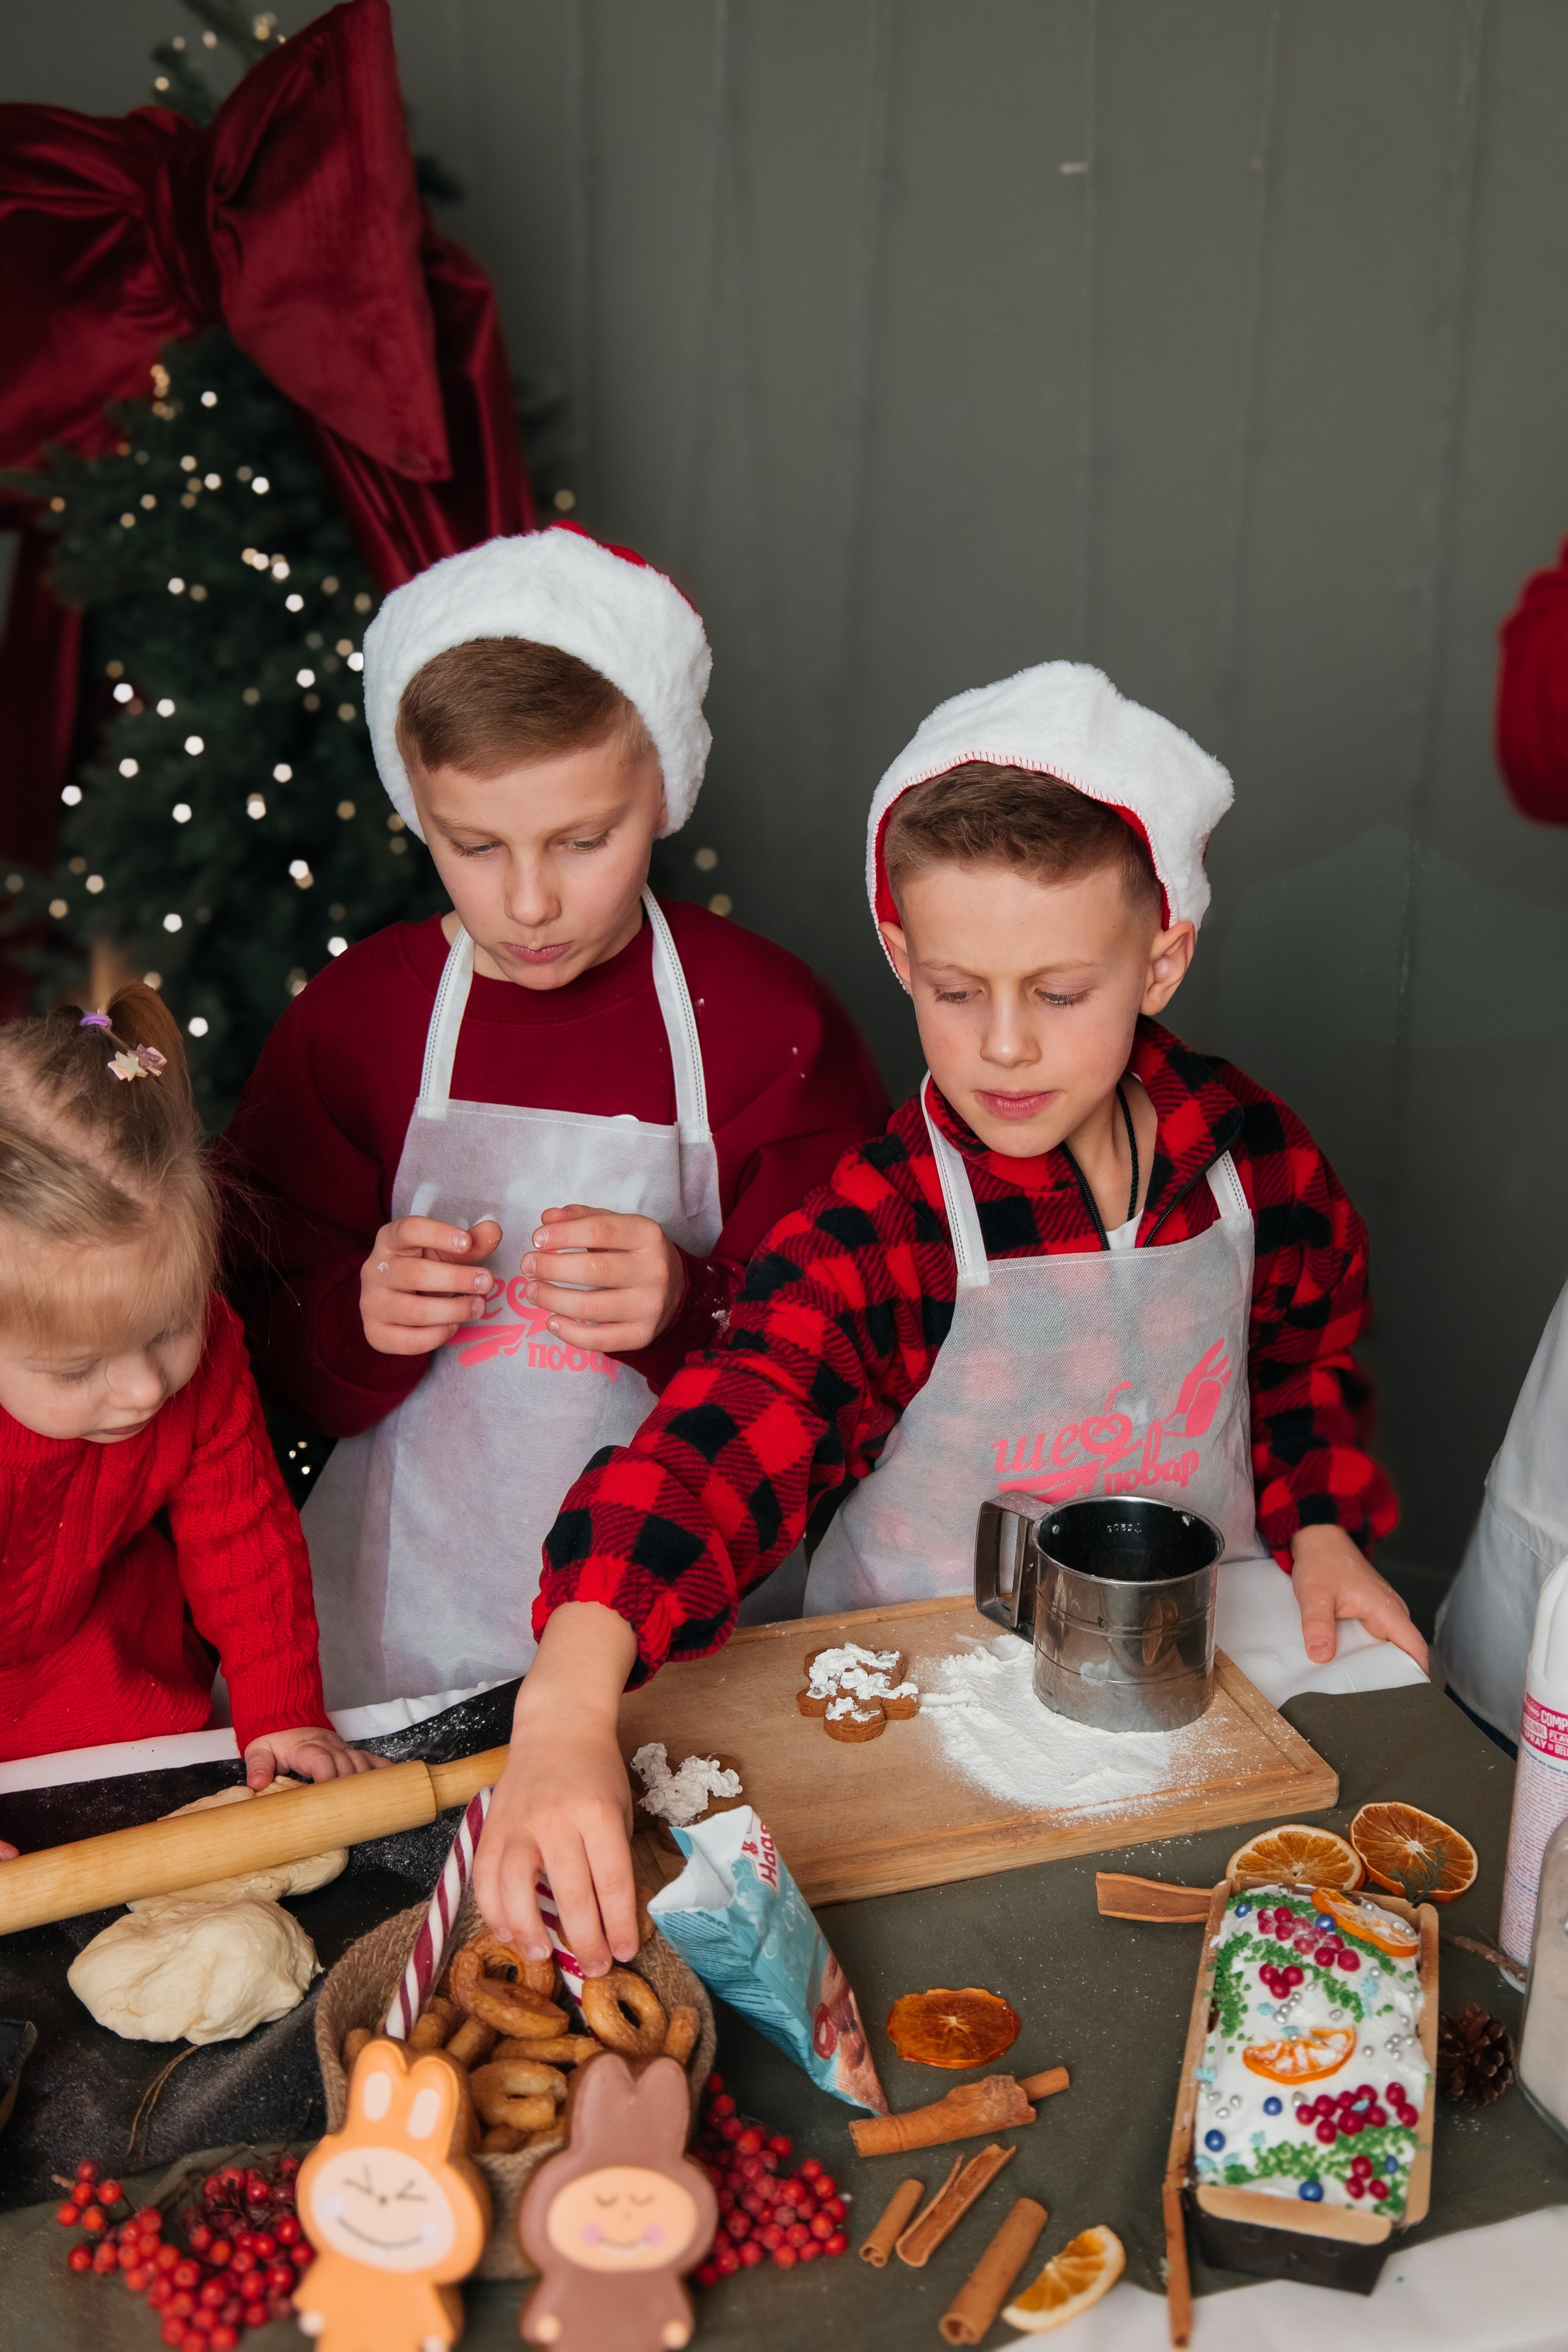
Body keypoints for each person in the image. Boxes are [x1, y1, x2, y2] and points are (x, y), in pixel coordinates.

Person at [469, 662, 1428, 1971]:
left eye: (1057, 992)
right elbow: (722, 1439)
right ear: (899, 956)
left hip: (1192, 1680)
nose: (1003, 1050)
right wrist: (567, 1708)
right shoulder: (886, 1223)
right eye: (955, 992)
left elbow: (1304, 1355)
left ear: (1159, 959)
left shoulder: (1248, 1153)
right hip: (916, 1705)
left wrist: (1317, 1522)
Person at [224, 524, 888, 1726]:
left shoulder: (766, 1026)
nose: (526, 904)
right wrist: (354, 1319)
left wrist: (696, 1307)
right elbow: (244, 1349)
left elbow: (859, 1359)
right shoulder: (358, 1023)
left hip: (688, 1645)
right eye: (471, 847)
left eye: (583, 842)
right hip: (394, 1643)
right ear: (411, 801)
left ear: (665, 789)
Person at [0, 985, 377, 1858]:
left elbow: (243, 1537)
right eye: (76, 1367)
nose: (141, 1389)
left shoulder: (202, 1356)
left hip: (100, 1659)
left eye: (169, 1325)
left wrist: (282, 1714)